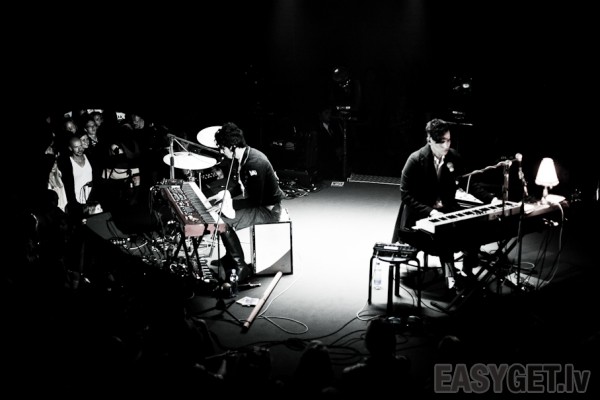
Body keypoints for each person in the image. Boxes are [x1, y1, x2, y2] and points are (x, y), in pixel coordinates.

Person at [391, 118, 499, 290]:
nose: (446, 145)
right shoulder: (415, 160)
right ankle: (451, 278)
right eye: (441, 142)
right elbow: (406, 195)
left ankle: (467, 270)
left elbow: (468, 184)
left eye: (448, 140)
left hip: (447, 210)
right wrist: (430, 211)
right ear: (429, 140)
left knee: (475, 227)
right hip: (420, 215)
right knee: (446, 235)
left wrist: (491, 199)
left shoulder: (454, 157)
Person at [208, 122, 286, 285]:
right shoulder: (244, 156)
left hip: (268, 211)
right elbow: (242, 185)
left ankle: (240, 266)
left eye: (222, 148)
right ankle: (230, 257)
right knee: (221, 218)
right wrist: (226, 194)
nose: (221, 151)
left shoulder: (254, 163)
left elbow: (255, 200)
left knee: (222, 222)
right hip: (260, 204)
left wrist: (227, 206)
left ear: (232, 146)